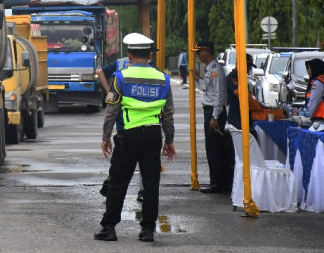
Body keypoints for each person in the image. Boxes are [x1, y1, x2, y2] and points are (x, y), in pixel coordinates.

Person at [95, 33, 176, 243]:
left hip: (128, 137)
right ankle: (147, 230)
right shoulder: (163, 79)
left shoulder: (120, 77)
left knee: (118, 182)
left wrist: (106, 137)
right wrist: (169, 141)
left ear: (129, 55)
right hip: (153, 136)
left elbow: (111, 110)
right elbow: (168, 114)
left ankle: (109, 228)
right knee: (150, 184)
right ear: (150, 54)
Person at [190, 40, 234, 194]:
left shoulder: (216, 69)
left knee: (214, 149)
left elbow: (220, 96)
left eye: (198, 51)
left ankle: (217, 183)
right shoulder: (211, 69)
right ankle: (218, 181)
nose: (197, 55)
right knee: (213, 148)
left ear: (206, 51)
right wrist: (197, 78)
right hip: (211, 112)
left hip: (215, 113)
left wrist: (214, 117)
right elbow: (207, 88)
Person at [225, 53, 265, 136]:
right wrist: (257, 106)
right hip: (236, 118)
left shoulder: (242, 78)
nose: (248, 69)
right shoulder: (232, 78)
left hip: (244, 117)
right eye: (248, 66)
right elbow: (240, 95)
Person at [301, 58, 324, 130]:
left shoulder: (318, 82)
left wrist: (305, 119)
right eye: (307, 68)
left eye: (310, 68)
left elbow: (313, 103)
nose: (308, 71)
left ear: (315, 68)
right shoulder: (323, 79)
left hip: (321, 119)